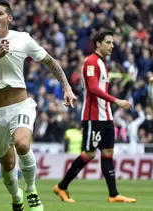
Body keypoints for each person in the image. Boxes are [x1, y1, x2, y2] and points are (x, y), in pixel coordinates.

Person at [0, 0, 77, 210]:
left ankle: (31, 190)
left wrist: (67, 87)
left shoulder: (23, 39)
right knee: (7, 164)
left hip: (20, 106)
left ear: (9, 18)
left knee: (22, 144)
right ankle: (17, 198)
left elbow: (50, 61)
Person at [53, 29, 136, 203]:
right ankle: (62, 186)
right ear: (98, 43)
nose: (112, 45)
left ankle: (114, 194)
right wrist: (116, 100)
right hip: (94, 117)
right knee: (89, 154)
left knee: (108, 153)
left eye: (113, 42)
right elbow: (92, 88)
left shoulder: (102, 63)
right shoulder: (91, 62)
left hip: (106, 116)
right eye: (108, 42)